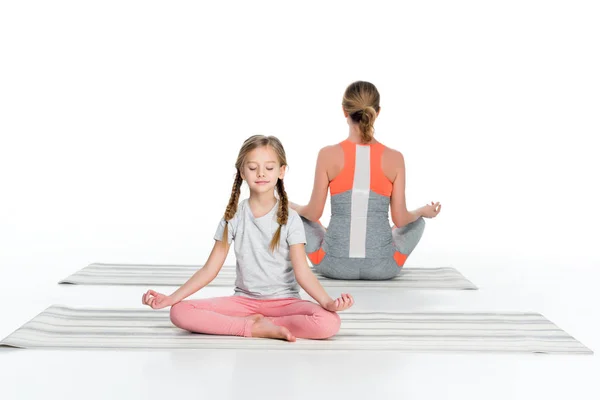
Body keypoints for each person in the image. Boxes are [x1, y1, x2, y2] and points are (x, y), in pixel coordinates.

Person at [142, 135, 354, 342]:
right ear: (242, 171)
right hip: (243, 303)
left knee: (329, 322)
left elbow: (303, 273)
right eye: (253, 168)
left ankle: (265, 324)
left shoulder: (291, 219)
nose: (261, 173)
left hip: (285, 303)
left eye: (269, 168)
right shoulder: (233, 217)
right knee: (179, 311)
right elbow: (209, 270)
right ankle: (253, 327)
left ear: (281, 171)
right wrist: (171, 298)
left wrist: (327, 302)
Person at [290, 81, 442, 280]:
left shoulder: (327, 155)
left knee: (299, 218)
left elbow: (313, 213)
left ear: (345, 111)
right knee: (417, 222)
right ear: (377, 112)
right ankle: (376, 245)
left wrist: (292, 206)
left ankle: (336, 238)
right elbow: (401, 219)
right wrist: (422, 211)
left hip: (333, 264)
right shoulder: (395, 158)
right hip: (384, 267)